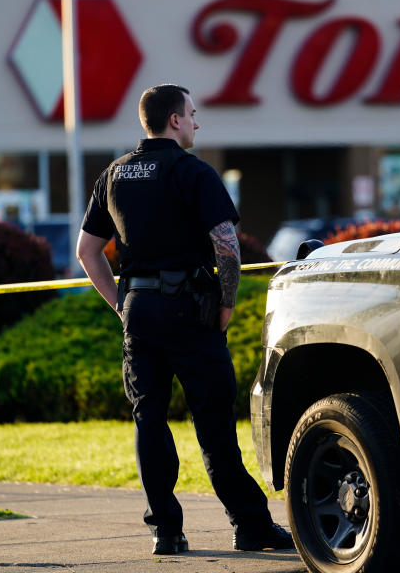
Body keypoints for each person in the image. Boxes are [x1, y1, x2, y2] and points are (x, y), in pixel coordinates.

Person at [76, 84, 294, 556]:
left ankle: (166, 532)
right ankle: (251, 527)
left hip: (139, 311)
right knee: (214, 425)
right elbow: (227, 246)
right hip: (191, 313)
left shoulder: (113, 174)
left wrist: (121, 302)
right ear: (174, 120)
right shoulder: (192, 171)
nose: (197, 122)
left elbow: (87, 251)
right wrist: (227, 305)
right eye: (193, 114)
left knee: (148, 421)